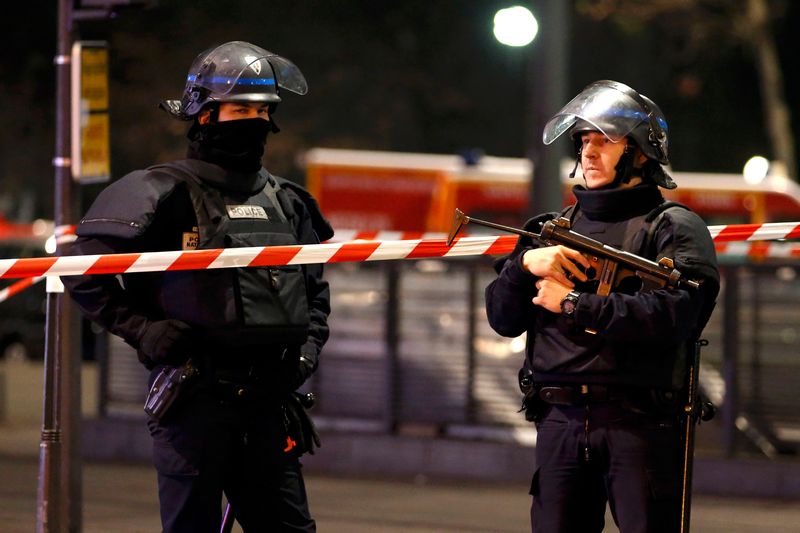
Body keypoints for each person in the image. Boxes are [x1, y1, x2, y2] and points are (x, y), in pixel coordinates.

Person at [62, 41, 333, 532]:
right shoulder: (160, 193)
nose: (253, 120)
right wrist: (142, 329)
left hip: (269, 405)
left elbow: (316, 291)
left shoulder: (288, 203)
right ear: (204, 114)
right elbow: (79, 268)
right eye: (239, 109)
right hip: (194, 402)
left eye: (262, 110)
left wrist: (307, 354)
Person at [484, 80, 720, 532]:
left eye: (606, 139)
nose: (589, 152)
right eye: (584, 139)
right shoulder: (551, 228)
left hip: (639, 424)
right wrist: (524, 264)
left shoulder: (672, 227)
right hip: (559, 421)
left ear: (642, 151)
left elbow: (676, 316)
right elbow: (502, 319)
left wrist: (574, 303)